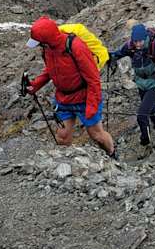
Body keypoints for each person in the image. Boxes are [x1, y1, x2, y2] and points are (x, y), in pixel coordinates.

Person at [25, 16, 118, 160]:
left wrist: (92, 106)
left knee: (97, 135)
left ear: (48, 40)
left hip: (84, 97)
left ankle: (112, 154)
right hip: (64, 100)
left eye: (39, 43)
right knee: (62, 137)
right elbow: (50, 70)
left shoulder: (76, 46)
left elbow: (93, 79)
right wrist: (35, 85)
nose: (38, 46)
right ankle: (68, 168)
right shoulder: (48, 49)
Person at [110, 24, 155, 156]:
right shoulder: (130, 46)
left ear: (145, 37)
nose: (138, 44)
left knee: (142, 114)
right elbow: (119, 53)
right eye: (135, 41)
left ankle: (146, 144)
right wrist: (109, 56)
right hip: (141, 83)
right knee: (152, 109)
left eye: (140, 41)